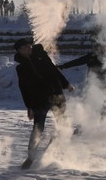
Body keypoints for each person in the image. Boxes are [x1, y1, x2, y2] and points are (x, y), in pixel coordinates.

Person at [13, 39, 74, 169]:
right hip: (39, 100)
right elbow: (23, 88)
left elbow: (54, 71)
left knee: (63, 125)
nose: (29, 47)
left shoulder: (41, 56)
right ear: (19, 50)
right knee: (37, 128)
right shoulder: (20, 68)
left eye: (29, 45)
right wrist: (28, 106)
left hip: (56, 95)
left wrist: (66, 84)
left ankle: (50, 151)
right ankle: (30, 158)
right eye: (25, 47)